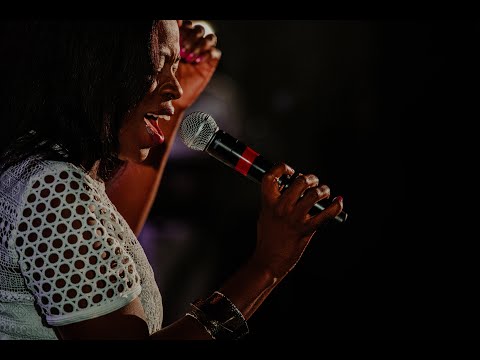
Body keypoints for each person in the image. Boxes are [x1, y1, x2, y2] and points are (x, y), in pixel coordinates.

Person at [0, 19, 344, 340]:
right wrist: (266, 267)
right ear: (100, 63)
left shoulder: (40, 170)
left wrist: (173, 111)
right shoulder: (52, 187)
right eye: (158, 62)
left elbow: (99, 260)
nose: (176, 86)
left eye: (175, 65)